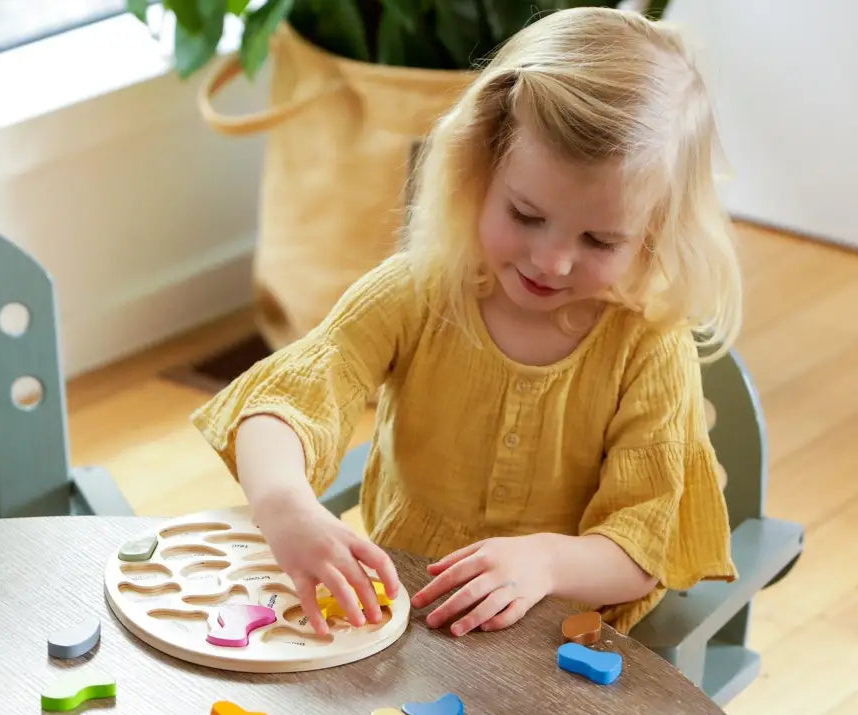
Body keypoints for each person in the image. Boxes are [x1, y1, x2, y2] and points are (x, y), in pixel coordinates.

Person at [191, 6, 739, 641]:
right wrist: (284, 503)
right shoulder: (417, 292)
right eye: (527, 214)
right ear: (479, 168)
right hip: (407, 614)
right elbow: (285, 403)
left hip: (563, 637)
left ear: (654, 233)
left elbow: (642, 550)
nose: (551, 259)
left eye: (599, 239)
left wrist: (545, 560)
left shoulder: (646, 345)